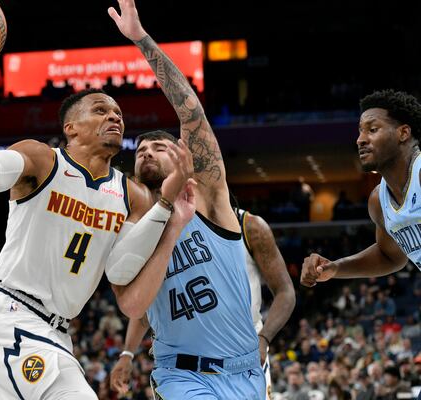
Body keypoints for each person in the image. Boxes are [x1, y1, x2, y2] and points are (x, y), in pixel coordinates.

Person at [0, 23, 193, 399]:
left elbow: (119, 269)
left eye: (118, 113)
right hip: (7, 312)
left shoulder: (130, 194)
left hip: (56, 331)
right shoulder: (41, 159)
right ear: (72, 127)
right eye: (100, 110)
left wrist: (165, 203)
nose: (114, 117)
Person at [106, 0, 268, 397]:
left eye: (159, 146)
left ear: (183, 153)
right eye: (140, 150)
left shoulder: (210, 197)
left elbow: (190, 109)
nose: (146, 151)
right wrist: (128, 352)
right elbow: (133, 307)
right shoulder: (128, 225)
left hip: (245, 370)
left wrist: (141, 40)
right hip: (180, 374)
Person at [110, 204, 295, 399]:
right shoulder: (166, 231)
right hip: (186, 366)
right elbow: (148, 305)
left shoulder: (249, 226)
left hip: (244, 359)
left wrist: (264, 338)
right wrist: (128, 353)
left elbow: (286, 291)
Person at [301, 89, 421, 286]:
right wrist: (335, 268)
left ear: (403, 133)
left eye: (372, 130)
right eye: (360, 131)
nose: (360, 140)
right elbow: (389, 256)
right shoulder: (378, 201)